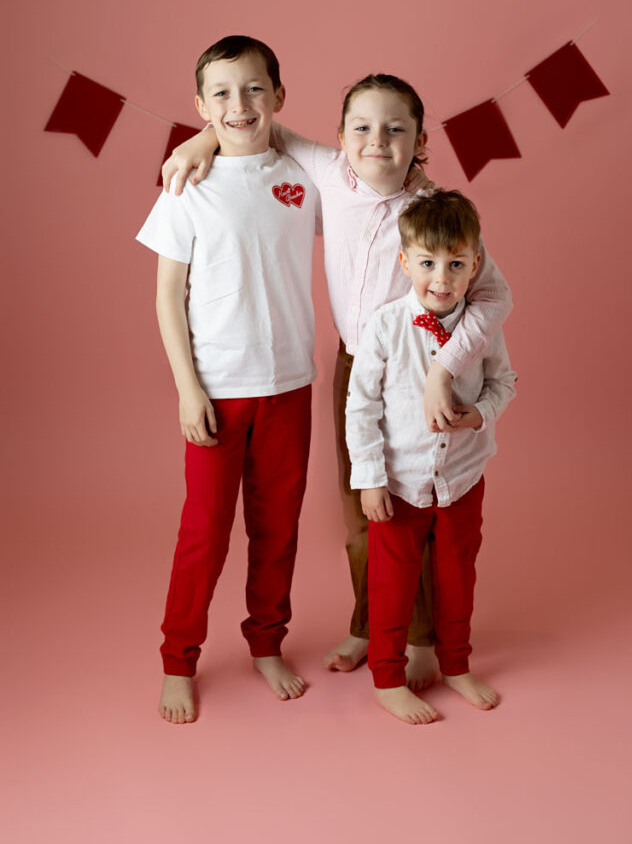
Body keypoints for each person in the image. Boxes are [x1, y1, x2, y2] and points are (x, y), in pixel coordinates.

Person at [163, 73, 512, 688]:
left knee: (427, 504)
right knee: (364, 511)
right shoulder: (326, 172)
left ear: (421, 139)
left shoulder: (429, 208)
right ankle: (369, 624)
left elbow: (493, 295)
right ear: (340, 138)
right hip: (358, 366)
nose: (376, 141)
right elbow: (255, 126)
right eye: (362, 128)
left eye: (395, 129)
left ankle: (426, 638)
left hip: (425, 363)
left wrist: (444, 367)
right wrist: (199, 143)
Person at [136, 35, 319, 724]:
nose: (238, 105)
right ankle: (178, 658)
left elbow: (357, 178)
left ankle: (266, 643)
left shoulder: (304, 178)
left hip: (290, 386)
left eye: (252, 90)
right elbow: (166, 296)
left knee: (278, 529)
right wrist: (188, 388)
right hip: (216, 389)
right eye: (220, 94)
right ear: (199, 106)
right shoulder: (185, 186)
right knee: (205, 532)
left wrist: (208, 137)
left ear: (277, 95)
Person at [346, 190, 516, 724]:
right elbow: (361, 406)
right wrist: (369, 479)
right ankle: (387, 678)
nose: (440, 279)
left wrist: (480, 413)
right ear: (405, 262)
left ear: (475, 266)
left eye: (455, 265)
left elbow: (504, 382)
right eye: (426, 263)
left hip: (463, 477)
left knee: (457, 577)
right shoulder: (384, 325)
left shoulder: (483, 326)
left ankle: (456, 664)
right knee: (391, 584)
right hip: (399, 482)